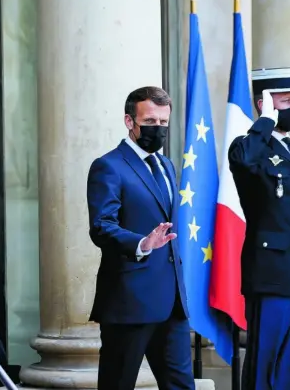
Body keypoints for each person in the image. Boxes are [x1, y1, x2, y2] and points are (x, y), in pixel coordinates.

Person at [87, 86, 194, 390]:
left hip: (172, 302)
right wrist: (142, 244)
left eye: (163, 123)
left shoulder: (166, 165)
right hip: (129, 301)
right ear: (129, 121)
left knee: (182, 385)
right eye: (150, 122)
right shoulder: (109, 166)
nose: (157, 129)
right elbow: (101, 226)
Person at [229, 67, 290, 390]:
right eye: (284, 100)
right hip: (269, 275)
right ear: (263, 102)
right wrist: (264, 121)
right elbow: (242, 161)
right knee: (263, 366)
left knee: (287, 366)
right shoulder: (249, 146)